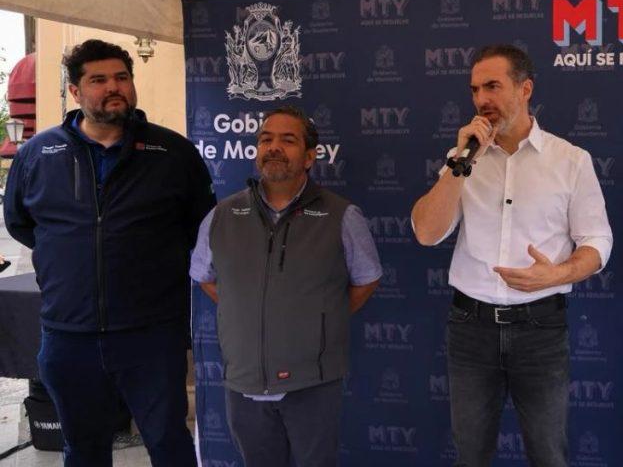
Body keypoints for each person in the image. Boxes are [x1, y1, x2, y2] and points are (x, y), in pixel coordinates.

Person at [3, 39, 214, 466]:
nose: (113, 87)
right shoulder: (37, 156)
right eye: (98, 80)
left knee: (170, 444)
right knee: (83, 450)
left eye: (121, 77)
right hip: (68, 336)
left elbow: (200, 228)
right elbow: (23, 225)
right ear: (76, 92)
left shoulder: (173, 153)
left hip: (151, 335)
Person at [411, 44, 613, 467]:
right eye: (474, 89)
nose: (482, 99)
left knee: (548, 454)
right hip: (470, 328)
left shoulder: (570, 161)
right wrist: (459, 165)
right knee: (471, 455)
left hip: (540, 327)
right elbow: (427, 233)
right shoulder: (461, 159)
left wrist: (557, 275)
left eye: (492, 86)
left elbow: (597, 242)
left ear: (525, 89)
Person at [190, 105, 381, 467]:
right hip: (244, 379)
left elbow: (366, 281)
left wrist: (318, 317)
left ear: (310, 157)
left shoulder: (342, 216)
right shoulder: (222, 216)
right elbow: (206, 278)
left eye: (287, 140)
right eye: (266, 139)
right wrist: (250, 311)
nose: (274, 147)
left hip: (312, 381)